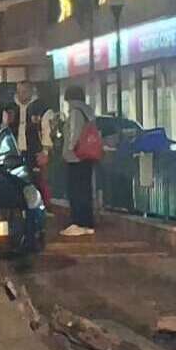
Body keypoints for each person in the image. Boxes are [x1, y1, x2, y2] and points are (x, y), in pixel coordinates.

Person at [10, 80, 53, 204]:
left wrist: (45, 152)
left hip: (35, 153)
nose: (21, 95)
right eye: (19, 92)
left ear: (31, 91)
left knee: (37, 183)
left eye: (24, 91)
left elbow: (47, 131)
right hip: (16, 153)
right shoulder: (11, 108)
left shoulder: (42, 109)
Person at [61, 84, 96, 236]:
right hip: (87, 157)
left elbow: (74, 134)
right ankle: (87, 222)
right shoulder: (88, 112)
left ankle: (78, 223)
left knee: (75, 190)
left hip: (75, 158)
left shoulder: (75, 112)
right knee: (85, 190)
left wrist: (68, 149)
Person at [0, 105, 21, 170]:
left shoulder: (16, 130)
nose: (9, 117)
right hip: (3, 162)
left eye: (11, 115)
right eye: (7, 115)